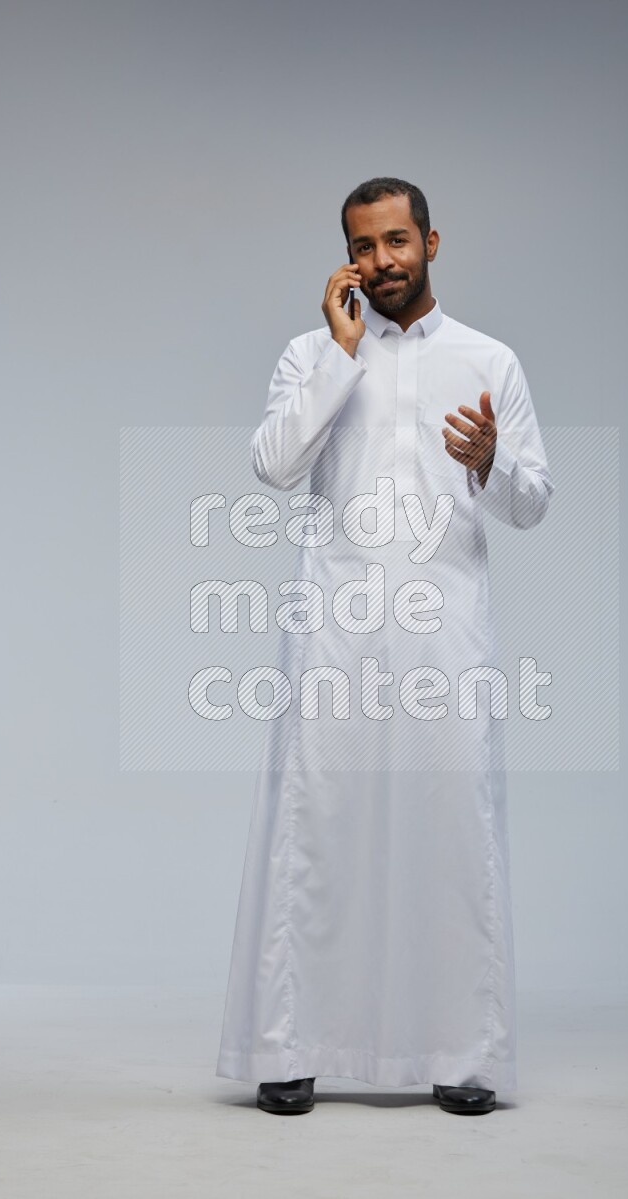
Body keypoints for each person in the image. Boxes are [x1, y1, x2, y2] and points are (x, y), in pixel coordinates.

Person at [216, 177, 554, 1116]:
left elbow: (531, 503)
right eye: (363, 246)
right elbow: (274, 465)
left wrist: (490, 462)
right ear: (346, 257)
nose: (381, 262)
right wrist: (339, 355)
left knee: (453, 828)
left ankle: (462, 1053)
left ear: (433, 242)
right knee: (316, 828)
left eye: (397, 240)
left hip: (446, 627)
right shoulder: (311, 355)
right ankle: (289, 1047)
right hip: (335, 627)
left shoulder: (490, 359)